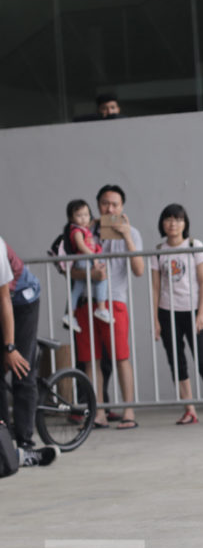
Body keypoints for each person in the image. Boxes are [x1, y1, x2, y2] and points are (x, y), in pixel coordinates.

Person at [72, 184, 144, 430]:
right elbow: (69, 268)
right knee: (91, 360)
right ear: (97, 205)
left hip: (114, 301)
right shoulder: (83, 231)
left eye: (115, 204)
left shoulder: (132, 232)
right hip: (86, 301)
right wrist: (89, 274)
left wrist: (126, 236)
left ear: (122, 207)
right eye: (105, 203)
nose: (109, 209)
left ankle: (129, 412)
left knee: (121, 357)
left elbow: (139, 270)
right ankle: (98, 413)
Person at [151, 204, 203, 425]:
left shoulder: (194, 246)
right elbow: (155, 287)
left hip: (192, 310)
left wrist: (201, 314)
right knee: (177, 361)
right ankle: (189, 409)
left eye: (178, 219)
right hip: (167, 311)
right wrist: (155, 319)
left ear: (185, 223)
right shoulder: (159, 250)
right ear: (162, 223)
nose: (173, 224)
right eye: (168, 219)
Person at [0, 236, 57, 467]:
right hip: (4, 301)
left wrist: (10, 347)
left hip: (21, 300)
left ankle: (25, 445)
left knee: (20, 367)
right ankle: (4, 446)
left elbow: (4, 300)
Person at [63, 199, 114, 328]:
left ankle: (70, 315)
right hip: (84, 260)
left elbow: (90, 222)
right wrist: (94, 257)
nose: (83, 218)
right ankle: (101, 308)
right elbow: (81, 246)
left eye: (86, 214)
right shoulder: (77, 231)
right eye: (79, 215)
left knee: (77, 289)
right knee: (102, 277)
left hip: (82, 260)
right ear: (71, 218)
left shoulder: (82, 228)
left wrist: (97, 220)